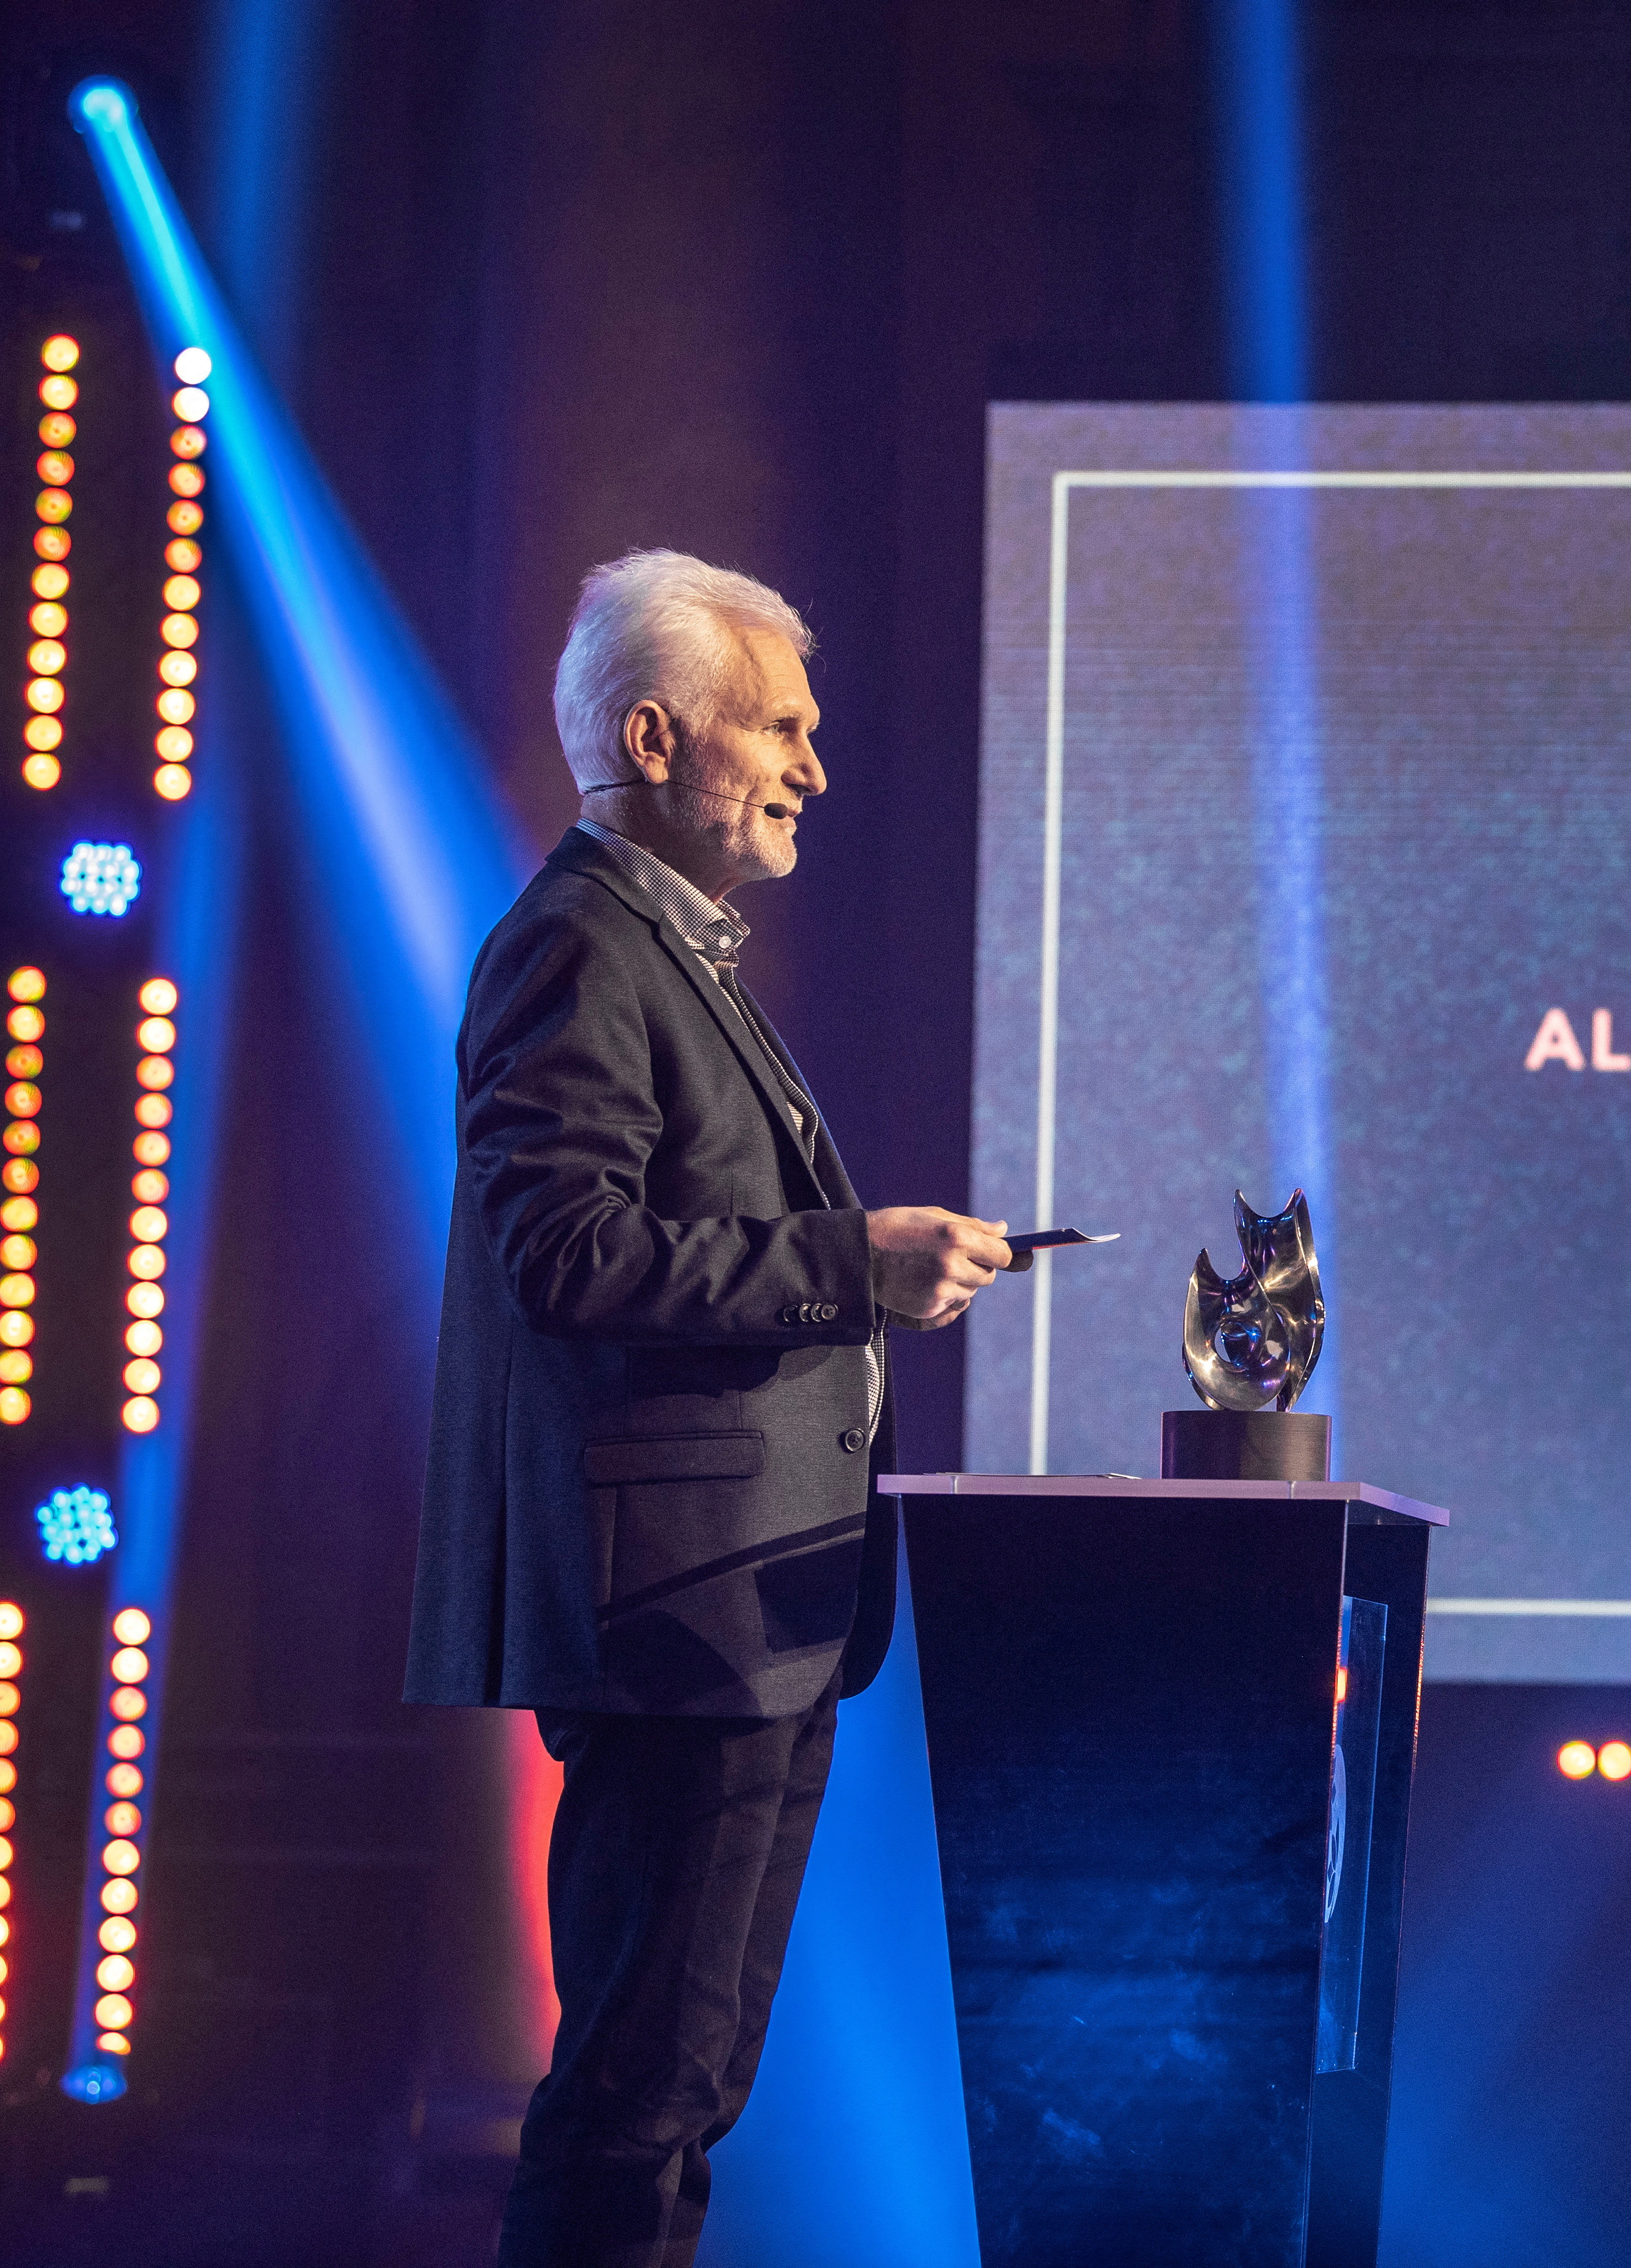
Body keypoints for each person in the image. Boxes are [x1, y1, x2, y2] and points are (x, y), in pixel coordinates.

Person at [406, 551, 1016, 2264]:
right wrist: (851, 1263)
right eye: (783, 729)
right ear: (657, 737)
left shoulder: (668, 951)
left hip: (750, 1612)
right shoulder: (581, 950)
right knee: (636, 2093)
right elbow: (567, 1253)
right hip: (677, 1615)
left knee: (684, 2092)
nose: (815, 768)